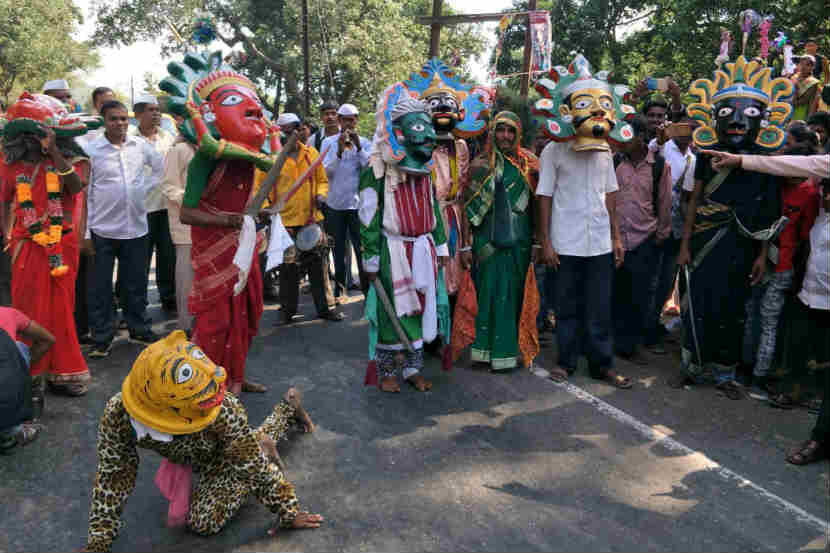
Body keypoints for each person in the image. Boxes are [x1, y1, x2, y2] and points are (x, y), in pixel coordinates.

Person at [83, 331, 322, 552]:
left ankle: (276, 423)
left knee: (203, 520)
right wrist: (98, 542)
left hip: (223, 457)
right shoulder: (119, 413)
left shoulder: (223, 407)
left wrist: (288, 511)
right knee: (246, 445)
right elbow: (113, 475)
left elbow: (253, 466)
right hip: (192, 457)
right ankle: (282, 415)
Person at [672, 56, 794, 398]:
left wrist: (760, 257)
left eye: (750, 114)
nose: (738, 122)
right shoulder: (705, 156)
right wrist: (684, 245)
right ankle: (692, 366)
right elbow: (693, 201)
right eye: (728, 113)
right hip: (704, 241)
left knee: (733, 308)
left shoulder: (764, 163)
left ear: (765, 121)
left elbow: (768, 217)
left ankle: (725, 373)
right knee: (697, 301)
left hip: (741, 245)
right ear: (713, 119)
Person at [161, 50, 278, 396]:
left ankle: (235, 377)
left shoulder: (249, 160)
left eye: (255, 102)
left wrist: (262, 216)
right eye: (234, 100)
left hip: (242, 247)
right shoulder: (201, 161)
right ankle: (205, 386)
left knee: (248, 314)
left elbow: (268, 169)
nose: (254, 109)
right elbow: (187, 213)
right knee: (217, 322)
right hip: (213, 251)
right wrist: (231, 220)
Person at [534, 54, 634, 389]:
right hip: (565, 240)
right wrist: (546, 241)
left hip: (600, 243)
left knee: (600, 306)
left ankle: (602, 364)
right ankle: (566, 361)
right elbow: (544, 196)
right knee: (567, 305)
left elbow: (611, 196)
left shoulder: (606, 150)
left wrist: (617, 237)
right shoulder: (553, 151)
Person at [0, 93, 96, 396]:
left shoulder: (76, 161)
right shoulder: (11, 166)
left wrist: (54, 152)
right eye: (32, 134)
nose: (35, 140)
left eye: (43, 134)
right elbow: (4, 201)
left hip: (61, 246)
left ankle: (64, 372)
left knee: (61, 310)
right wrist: (6, 234)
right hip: (25, 246)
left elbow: (76, 187)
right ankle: (30, 374)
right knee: (27, 309)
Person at [360, 87, 449, 393]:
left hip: (422, 249)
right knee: (391, 312)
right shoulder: (377, 169)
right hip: (392, 250)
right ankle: (387, 372)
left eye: (429, 127)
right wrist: (370, 259)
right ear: (397, 132)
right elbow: (368, 216)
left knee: (422, 308)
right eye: (418, 127)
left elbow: (433, 208)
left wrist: (441, 246)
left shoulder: (425, 171)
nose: (428, 135)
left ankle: (413, 369)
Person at [85, 100, 162, 358]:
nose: (119, 124)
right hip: (102, 230)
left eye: (123, 119)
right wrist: (86, 233)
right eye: (113, 119)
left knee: (135, 283)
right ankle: (102, 337)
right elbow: (85, 194)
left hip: (136, 228)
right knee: (100, 287)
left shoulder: (140, 146)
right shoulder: (92, 149)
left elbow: (160, 169)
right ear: (103, 120)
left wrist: (143, 189)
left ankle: (139, 329)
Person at [463, 111, 539, 371]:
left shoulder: (530, 164)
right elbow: (467, 209)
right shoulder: (480, 165)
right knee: (487, 292)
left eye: (510, 131)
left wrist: (539, 241)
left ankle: (507, 352)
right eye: (500, 130)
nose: (505, 136)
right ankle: (482, 352)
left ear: (518, 134)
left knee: (513, 295)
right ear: (492, 132)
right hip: (487, 241)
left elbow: (539, 206)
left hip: (520, 241)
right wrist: (464, 245)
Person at [612, 115, 672, 364]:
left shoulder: (658, 166)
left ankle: (631, 345)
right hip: (615, 239)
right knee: (615, 292)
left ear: (640, 138)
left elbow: (665, 202)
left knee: (639, 296)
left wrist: (661, 234)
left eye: (626, 135)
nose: (621, 140)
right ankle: (612, 342)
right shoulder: (614, 162)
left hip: (644, 239)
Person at [271, 113, 340, 324]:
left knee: (318, 267)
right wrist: (266, 210)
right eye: (288, 130)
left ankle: (325, 308)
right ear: (280, 133)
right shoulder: (272, 159)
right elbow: (261, 189)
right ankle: (287, 311)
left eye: (296, 129)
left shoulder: (311, 153)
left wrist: (321, 194)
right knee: (288, 270)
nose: (293, 134)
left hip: (311, 218)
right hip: (285, 223)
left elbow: (322, 180)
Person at [782, 178, 829, 464]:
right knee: (803, 351)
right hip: (809, 297)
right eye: (826, 192)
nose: (826, 198)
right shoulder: (821, 217)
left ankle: (820, 439)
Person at [646, 117, 697, 352]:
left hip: (677, 228)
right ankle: (643, 328)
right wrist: (659, 140)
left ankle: (653, 327)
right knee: (651, 279)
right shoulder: (663, 147)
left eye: (693, 130)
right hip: (656, 222)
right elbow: (650, 151)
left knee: (667, 280)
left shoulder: (694, 158)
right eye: (684, 128)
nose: (687, 133)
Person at [129, 95, 177, 312]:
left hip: (168, 206)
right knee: (139, 259)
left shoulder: (169, 137)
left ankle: (169, 297)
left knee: (168, 256)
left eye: (158, 110)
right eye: (151, 110)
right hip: (142, 208)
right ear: (138, 115)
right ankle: (135, 304)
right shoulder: (130, 139)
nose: (156, 113)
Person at [322, 103, 370, 300]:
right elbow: (325, 172)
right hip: (335, 205)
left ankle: (369, 293)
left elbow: (369, 167)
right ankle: (340, 291)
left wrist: (358, 147)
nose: (349, 123)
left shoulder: (365, 142)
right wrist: (340, 152)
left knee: (362, 250)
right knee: (338, 250)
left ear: (356, 120)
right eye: (345, 120)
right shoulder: (328, 142)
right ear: (339, 121)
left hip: (358, 205)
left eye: (352, 119)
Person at [0, 307, 54, 453]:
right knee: (18, 348)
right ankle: (11, 431)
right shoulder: (7, 313)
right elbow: (47, 340)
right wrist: (22, 370)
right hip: (7, 408)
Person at [161, 137, 196, 333]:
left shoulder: (219, 146)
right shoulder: (180, 150)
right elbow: (168, 187)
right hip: (187, 227)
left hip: (214, 225)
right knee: (187, 282)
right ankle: (187, 329)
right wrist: (194, 200)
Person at [791, 55, 821, 121]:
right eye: (801, 64)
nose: (803, 67)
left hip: (801, 115)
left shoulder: (813, 82)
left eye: (807, 65)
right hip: (787, 112)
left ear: (812, 67)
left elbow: (800, 101)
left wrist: (795, 89)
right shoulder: (794, 77)